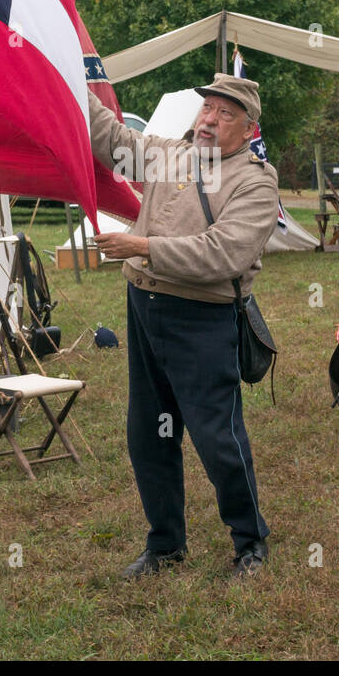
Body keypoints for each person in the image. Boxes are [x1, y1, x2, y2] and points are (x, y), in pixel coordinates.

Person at [87, 74, 280, 579]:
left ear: (248, 128)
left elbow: (224, 253)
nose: (210, 120)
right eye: (208, 109)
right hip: (145, 305)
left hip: (202, 317)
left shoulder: (256, 181)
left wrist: (143, 247)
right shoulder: (170, 154)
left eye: (225, 114)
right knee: (147, 434)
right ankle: (166, 545)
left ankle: (250, 541)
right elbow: (109, 138)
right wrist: (66, 78)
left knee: (217, 437)